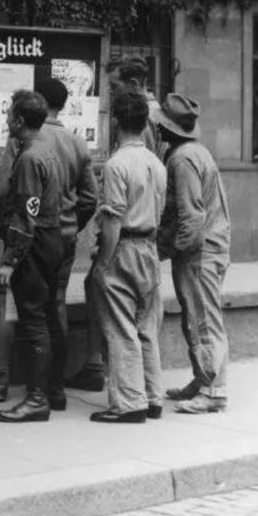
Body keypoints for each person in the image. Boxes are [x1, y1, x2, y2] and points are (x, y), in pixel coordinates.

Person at [0, 78, 98, 408]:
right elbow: (90, 197)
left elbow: (7, 193)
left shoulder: (25, 145)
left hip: (29, 238)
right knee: (56, 307)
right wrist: (72, 225)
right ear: (63, 105)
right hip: (62, 238)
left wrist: (10, 245)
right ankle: (55, 387)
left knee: (9, 306)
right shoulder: (76, 142)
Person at [68, 54, 164, 390]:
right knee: (140, 318)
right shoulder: (152, 117)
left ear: (134, 85)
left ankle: (115, 381)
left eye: (114, 86)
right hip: (142, 234)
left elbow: (135, 182)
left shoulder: (141, 119)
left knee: (117, 310)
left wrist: (105, 258)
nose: (109, 95)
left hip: (125, 233)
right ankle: (144, 390)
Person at [87, 93, 167, 423]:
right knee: (147, 326)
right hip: (150, 248)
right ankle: (152, 396)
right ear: (146, 122)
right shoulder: (156, 163)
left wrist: (103, 263)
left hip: (125, 247)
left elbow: (112, 219)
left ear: (115, 122)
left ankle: (129, 403)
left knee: (120, 327)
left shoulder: (117, 164)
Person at [154, 93, 232, 414]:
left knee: (203, 322)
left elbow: (192, 219)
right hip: (206, 249)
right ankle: (203, 380)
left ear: (166, 130)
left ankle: (213, 391)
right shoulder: (193, 152)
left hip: (199, 254)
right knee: (198, 318)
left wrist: (168, 250)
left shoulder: (182, 159)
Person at [0, 91, 65, 423]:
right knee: (45, 316)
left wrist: (10, 260)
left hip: (33, 244)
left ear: (20, 121)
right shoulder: (48, 149)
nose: (7, 119)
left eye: (9, 115)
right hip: (51, 238)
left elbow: (25, 214)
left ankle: (36, 399)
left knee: (33, 319)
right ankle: (44, 392)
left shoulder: (27, 159)